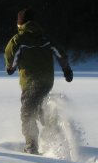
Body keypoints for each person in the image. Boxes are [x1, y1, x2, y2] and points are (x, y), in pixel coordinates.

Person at [4, 9, 73, 154]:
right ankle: (56, 136)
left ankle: (31, 147)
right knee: (41, 109)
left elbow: (10, 55)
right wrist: (66, 70)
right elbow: (60, 54)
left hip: (30, 83)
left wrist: (10, 67)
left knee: (27, 113)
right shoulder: (45, 38)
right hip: (47, 81)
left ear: (20, 22)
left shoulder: (18, 39)